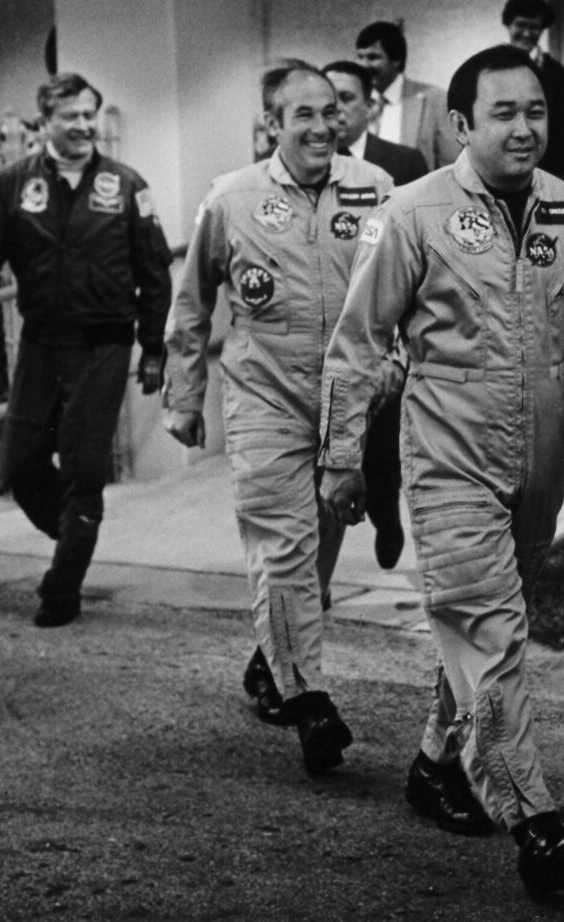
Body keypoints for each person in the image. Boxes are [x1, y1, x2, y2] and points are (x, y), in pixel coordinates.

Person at [318, 44, 564, 900]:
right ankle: (535, 822)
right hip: (448, 453)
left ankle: (435, 765)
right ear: (461, 125)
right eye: (503, 113)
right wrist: (342, 456)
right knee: (488, 632)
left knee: (486, 631)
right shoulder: (411, 213)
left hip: (538, 454)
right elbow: (359, 343)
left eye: (534, 111)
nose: (524, 128)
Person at [162, 60, 394, 774]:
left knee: (318, 552)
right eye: (304, 115)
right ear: (272, 124)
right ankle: (310, 700)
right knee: (282, 547)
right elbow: (194, 301)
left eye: (332, 111)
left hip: (350, 401)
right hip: (265, 395)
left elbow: (412, 287)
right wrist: (182, 393)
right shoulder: (231, 200)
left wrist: (401, 366)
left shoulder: (378, 190)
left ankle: (275, 660)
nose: (323, 125)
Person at [0, 72, 172, 628]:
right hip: (40, 340)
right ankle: (75, 532)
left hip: (104, 343)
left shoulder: (127, 185)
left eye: (90, 115)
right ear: (45, 123)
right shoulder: (13, 184)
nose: (84, 125)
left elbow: (154, 272)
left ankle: (61, 587)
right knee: (19, 462)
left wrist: (154, 349)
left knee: (84, 465)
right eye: (72, 117)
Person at [323, 58, 425, 569]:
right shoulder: (304, 164)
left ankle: (387, 514)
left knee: (382, 452)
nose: (333, 112)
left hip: (383, 338)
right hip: (324, 335)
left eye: (345, 99)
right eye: (325, 99)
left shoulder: (401, 165)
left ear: (370, 105)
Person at [501, 0, 564, 190]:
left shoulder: (561, 78)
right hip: (499, 178)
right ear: (509, 24)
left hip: (547, 179)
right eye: (520, 25)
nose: (526, 33)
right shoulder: (487, 71)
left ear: (542, 30)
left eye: (533, 27)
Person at [355, 21, 461, 171]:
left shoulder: (435, 99)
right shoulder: (355, 101)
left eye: (373, 57)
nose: (363, 65)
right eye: (360, 57)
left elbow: (451, 165)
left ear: (396, 60)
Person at [323, 60, 428, 186]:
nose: (336, 107)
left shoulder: (407, 162)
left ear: (369, 107)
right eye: (328, 97)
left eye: (346, 98)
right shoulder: (301, 159)